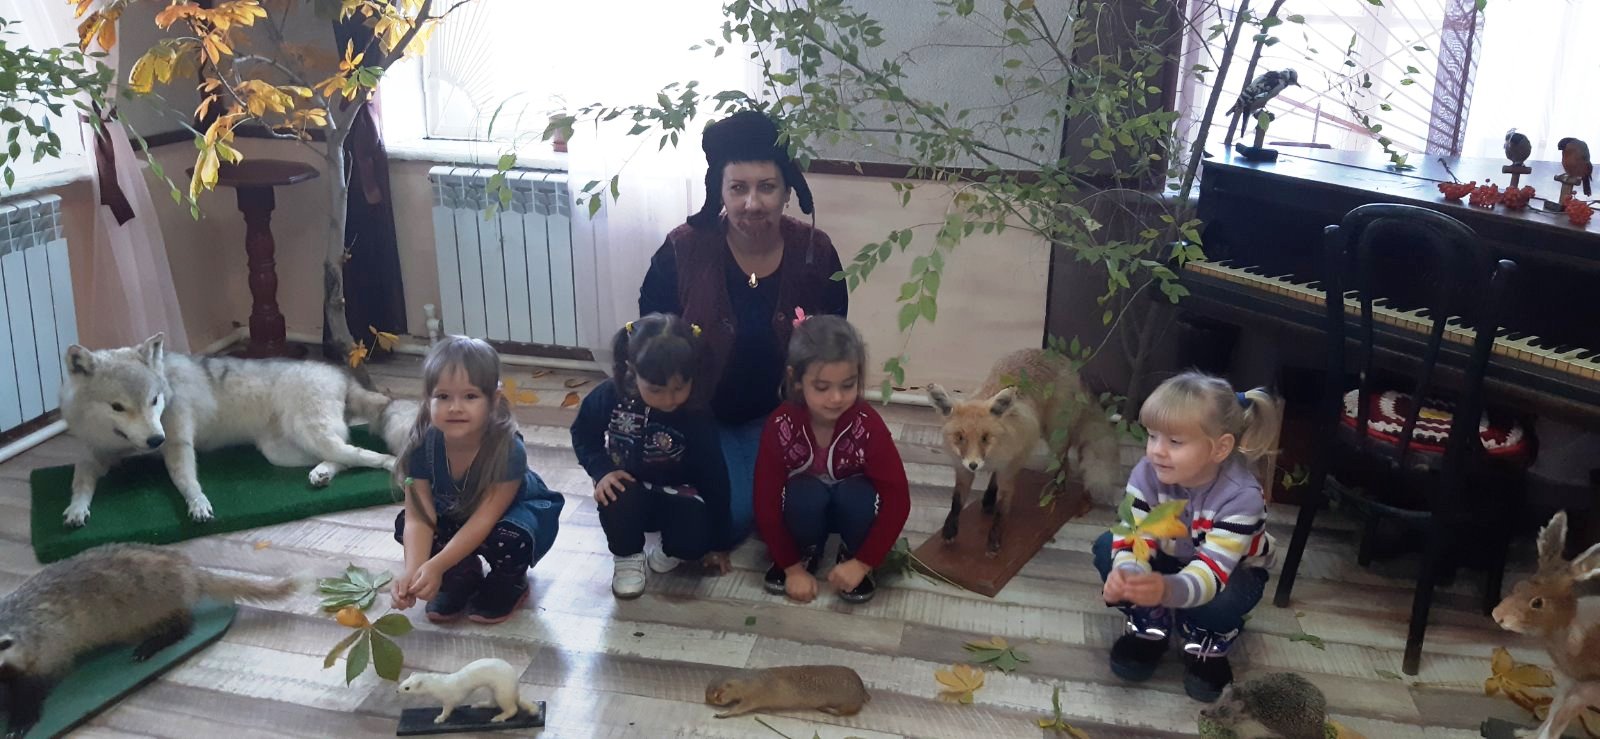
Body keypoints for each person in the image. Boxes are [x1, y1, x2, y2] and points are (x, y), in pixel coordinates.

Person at [638, 109, 848, 543]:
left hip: (775, 414)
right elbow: (649, 343)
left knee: (772, 516)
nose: (753, 203)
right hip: (697, 413)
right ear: (720, 190)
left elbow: (834, 346)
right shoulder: (682, 250)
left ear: (787, 191)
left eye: (766, 187)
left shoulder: (816, 253)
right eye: (738, 188)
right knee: (728, 521)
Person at [1093, 371, 1284, 702]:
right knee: (1106, 547)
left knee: (1222, 601)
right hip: (1173, 554)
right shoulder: (1146, 473)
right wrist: (1129, 577)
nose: (1156, 451)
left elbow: (1211, 571)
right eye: (1152, 436)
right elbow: (1134, 535)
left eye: (1175, 442)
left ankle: (1208, 634)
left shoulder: (1241, 497)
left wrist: (1165, 589)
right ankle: (1150, 623)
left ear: (1220, 448)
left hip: (1231, 571)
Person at [389, 337, 564, 624]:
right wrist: (413, 571)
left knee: (510, 539)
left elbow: (484, 520)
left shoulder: (508, 450)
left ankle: (508, 582)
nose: (455, 407)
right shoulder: (421, 445)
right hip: (456, 516)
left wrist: (436, 564)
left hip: (502, 521)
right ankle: (460, 575)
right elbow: (418, 518)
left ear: (493, 400)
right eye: (443, 397)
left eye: (470, 396)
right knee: (403, 524)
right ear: (428, 398)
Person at [571, 313, 735, 599]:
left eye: (679, 388)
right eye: (657, 390)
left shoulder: (696, 413)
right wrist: (602, 470)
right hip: (628, 493)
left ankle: (669, 550)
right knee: (613, 493)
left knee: (695, 540)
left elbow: (715, 476)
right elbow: (583, 434)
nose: (670, 400)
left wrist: (720, 543)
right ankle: (627, 557)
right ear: (632, 370)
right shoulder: (610, 395)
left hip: (677, 497)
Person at [753, 314, 910, 604]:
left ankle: (851, 550)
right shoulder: (780, 425)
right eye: (822, 387)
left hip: (852, 507)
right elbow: (765, 501)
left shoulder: (868, 426)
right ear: (796, 380)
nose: (836, 398)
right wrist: (790, 567)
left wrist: (863, 562)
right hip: (805, 508)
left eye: (848, 385)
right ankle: (806, 550)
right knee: (803, 493)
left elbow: (898, 499)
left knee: (858, 495)